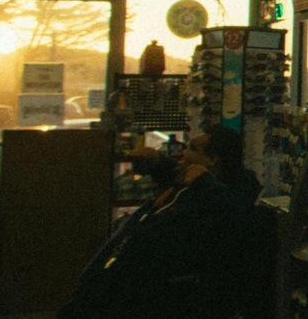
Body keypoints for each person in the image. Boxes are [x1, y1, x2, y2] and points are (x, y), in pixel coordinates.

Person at [58, 126, 269, 319]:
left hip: (149, 296)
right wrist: (157, 161)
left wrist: (206, 185)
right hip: (114, 285)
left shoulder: (221, 194)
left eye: (192, 149)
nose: (184, 154)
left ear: (212, 160)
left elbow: (235, 219)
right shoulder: (188, 185)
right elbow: (173, 171)